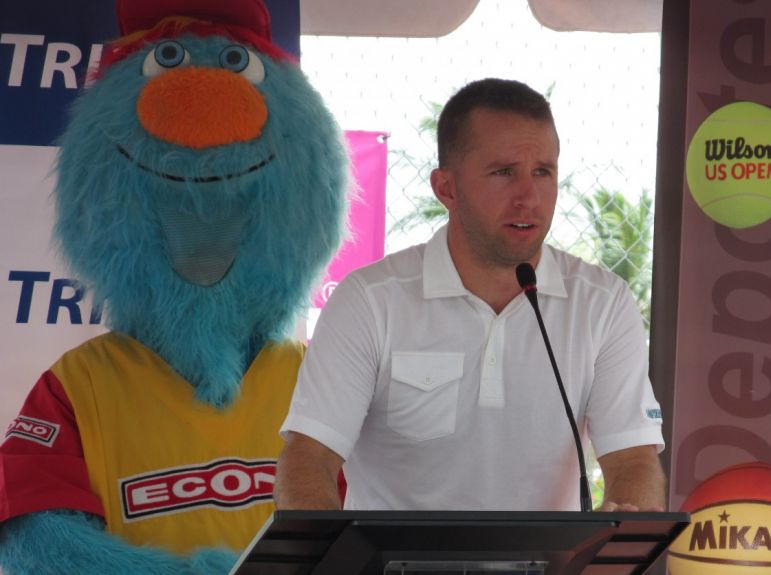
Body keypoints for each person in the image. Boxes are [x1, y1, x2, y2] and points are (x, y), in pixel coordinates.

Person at [274, 78, 666, 512]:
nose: (529, 197)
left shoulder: (602, 303)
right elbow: (309, 457)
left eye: (543, 172)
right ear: (446, 188)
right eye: (503, 173)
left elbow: (633, 457)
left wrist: (624, 525)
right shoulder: (369, 301)